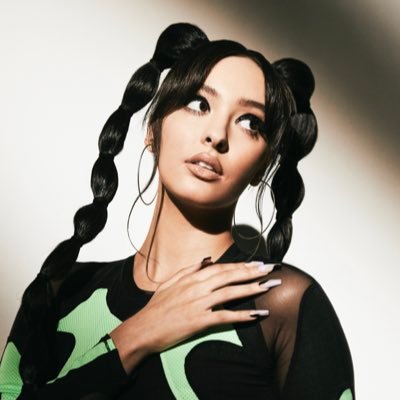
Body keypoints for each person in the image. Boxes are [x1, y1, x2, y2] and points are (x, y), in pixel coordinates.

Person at [0, 23, 355, 399]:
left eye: (250, 123)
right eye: (199, 104)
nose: (217, 135)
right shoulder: (63, 291)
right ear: (152, 130)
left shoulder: (284, 305)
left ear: (261, 167)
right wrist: (134, 337)